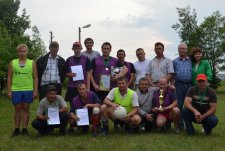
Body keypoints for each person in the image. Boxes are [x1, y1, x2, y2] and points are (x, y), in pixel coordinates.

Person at [7, 44, 38, 136]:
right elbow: (9, 77)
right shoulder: (12, 63)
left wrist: (35, 90)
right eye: (20, 51)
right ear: (17, 52)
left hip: (28, 89)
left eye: (24, 51)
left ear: (27, 52)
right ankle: (16, 129)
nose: (22, 53)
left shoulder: (32, 63)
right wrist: (9, 91)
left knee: (25, 109)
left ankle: (25, 129)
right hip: (16, 89)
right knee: (17, 109)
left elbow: (35, 77)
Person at [173, 43, 192, 129]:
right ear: (178, 50)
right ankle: (180, 125)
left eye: (184, 48)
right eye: (180, 49)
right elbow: (172, 74)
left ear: (186, 50)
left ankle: (189, 124)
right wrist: (172, 85)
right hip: (179, 84)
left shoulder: (191, 60)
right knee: (179, 105)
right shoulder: (175, 61)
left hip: (190, 85)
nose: (182, 50)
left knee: (189, 105)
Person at [65, 41, 90, 106]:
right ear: (72, 49)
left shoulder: (86, 59)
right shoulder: (68, 59)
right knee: (72, 104)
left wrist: (88, 87)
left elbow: (88, 73)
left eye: (78, 47)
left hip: (83, 86)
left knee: (84, 104)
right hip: (72, 86)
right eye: (75, 47)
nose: (77, 48)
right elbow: (65, 73)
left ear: (81, 48)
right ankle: (72, 115)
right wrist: (69, 74)